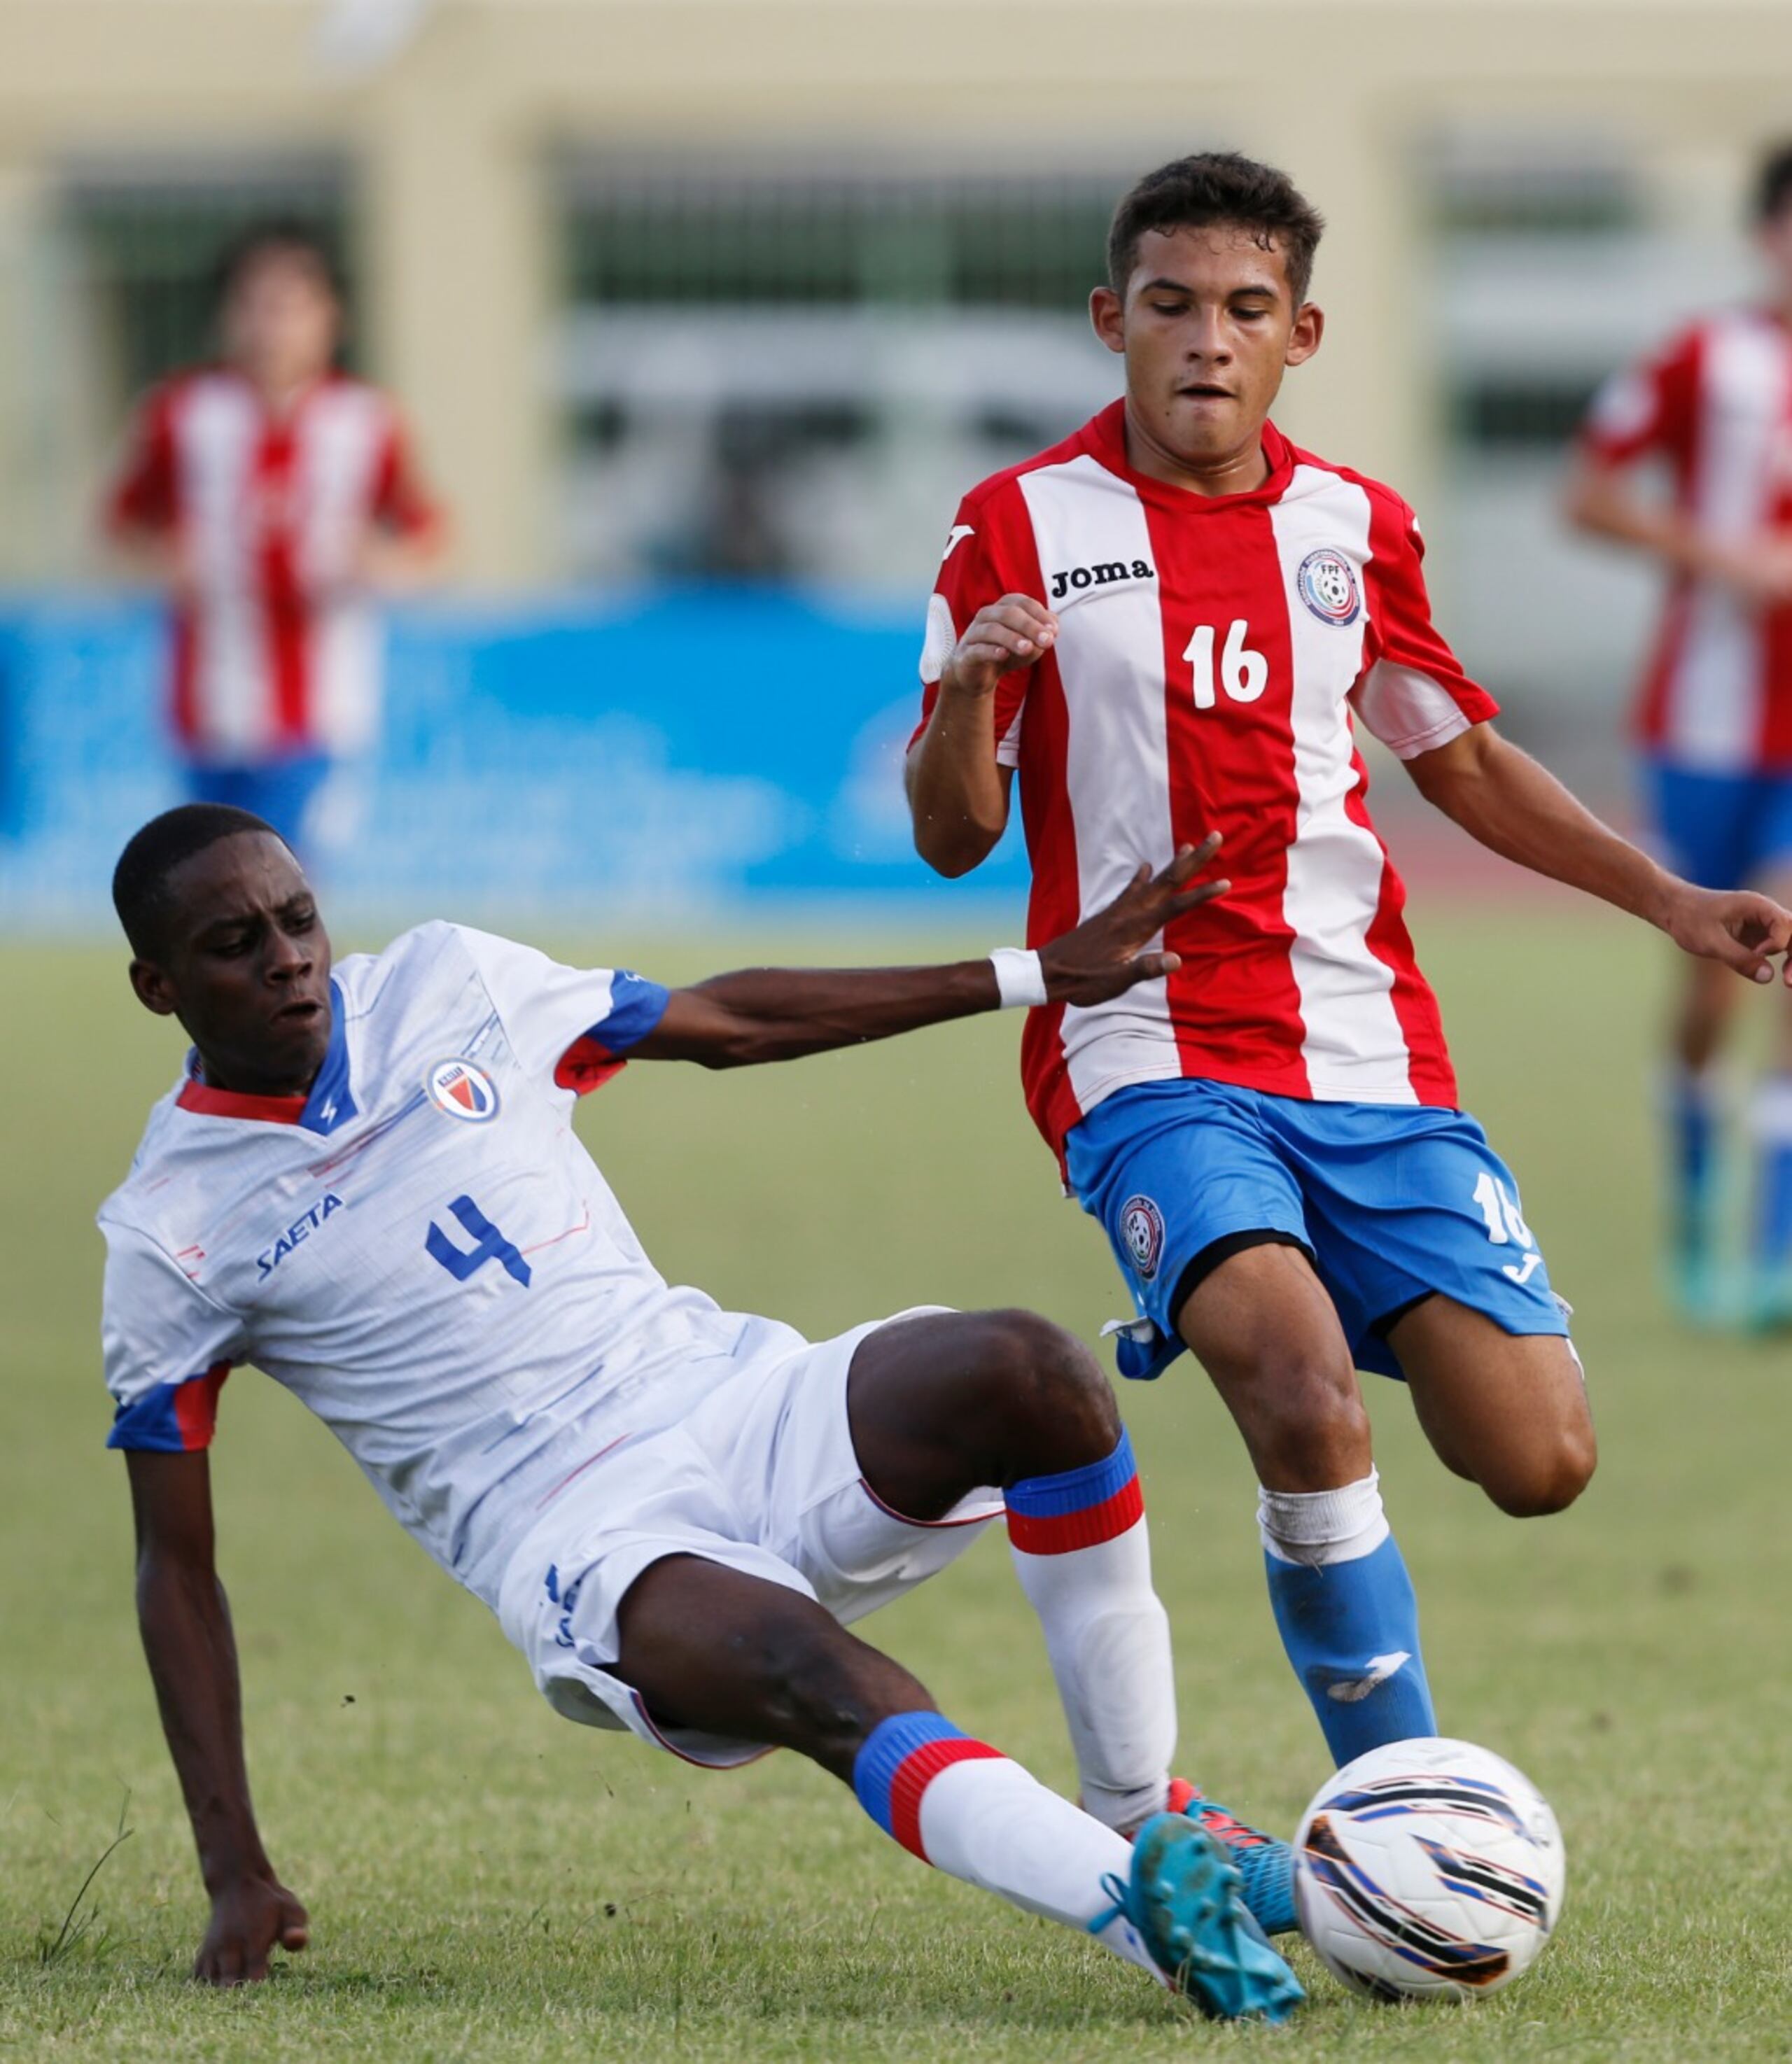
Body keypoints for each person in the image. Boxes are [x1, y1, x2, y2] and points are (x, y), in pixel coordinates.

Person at [99, 801, 1304, 2021]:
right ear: (159, 985)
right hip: (579, 1530)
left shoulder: (450, 977)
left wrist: (1032, 974)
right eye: (233, 941)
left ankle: (1144, 1808)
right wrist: (231, 1863)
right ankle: (1150, 1908)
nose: (288, 956)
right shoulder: (168, 1230)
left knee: (1037, 1369)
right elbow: (175, 1564)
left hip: (726, 1391)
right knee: (822, 1677)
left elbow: (728, 1022)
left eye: (298, 918)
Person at [906, 151, 1792, 1797]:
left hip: (1364, 1057)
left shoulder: (1353, 527)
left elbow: (1454, 763)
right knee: (1300, 1392)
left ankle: (1292, 1280)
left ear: (1298, 334)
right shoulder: (1014, 522)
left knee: (1538, 1459)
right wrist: (968, 690)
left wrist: (1669, 902)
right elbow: (952, 837)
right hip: (1143, 1047)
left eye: (1244, 309)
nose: (1203, 340)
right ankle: (1399, 1811)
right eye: (1169, 305)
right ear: (1111, 319)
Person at [1565, 141, 1792, 1320]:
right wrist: (1730, 561)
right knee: (1717, 982)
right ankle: (1695, 1202)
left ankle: (1777, 1244)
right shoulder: (1705, 357)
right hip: (1704, 721)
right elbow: (1588, 492)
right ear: (1768, 234)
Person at [104, 223, 447, 854]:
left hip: (319, 705)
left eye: (290, 306)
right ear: (228, 317)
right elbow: (121, 524)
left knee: (279, 871)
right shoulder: (180, 414)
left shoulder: (366, 422)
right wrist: (158, 562)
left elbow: (428, 536)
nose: (272, 326)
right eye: (254, 305)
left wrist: (383, 565)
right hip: (204, 697)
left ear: (330, 316)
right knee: (209, 879)